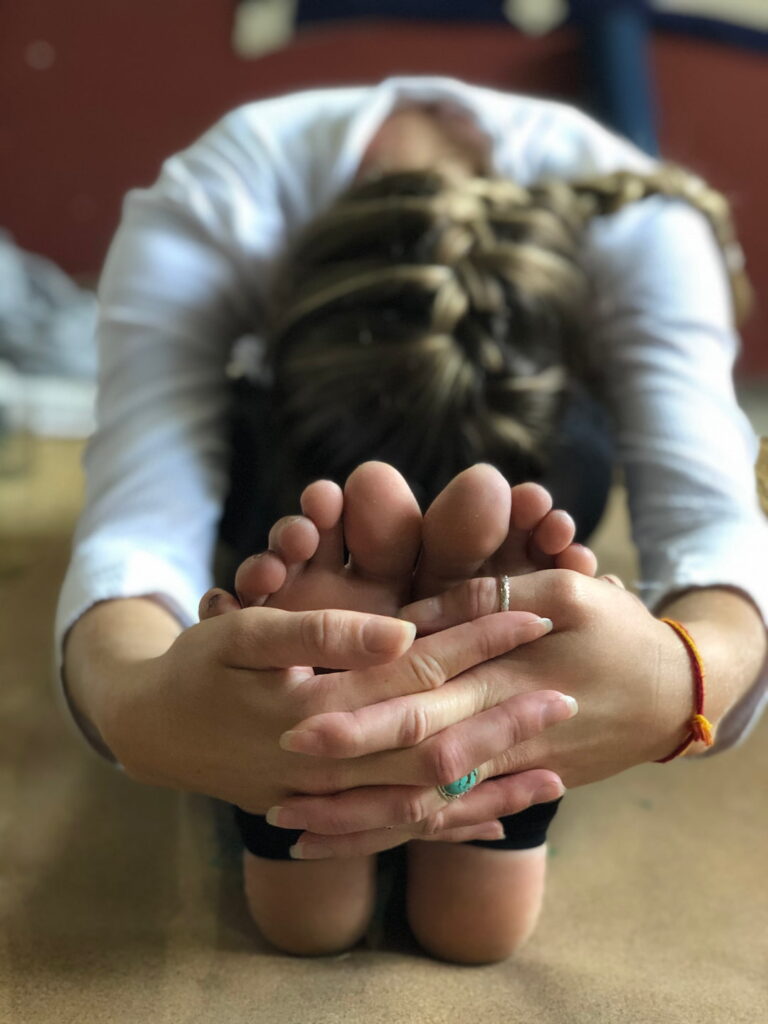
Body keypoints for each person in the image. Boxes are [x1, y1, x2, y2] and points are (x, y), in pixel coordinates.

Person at [57, 77, 768, 962]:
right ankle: (498, 713)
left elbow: (714, 518)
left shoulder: (647, 232)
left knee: (410, 501)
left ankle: (304, 790)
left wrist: (675, 677)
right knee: (484, 498)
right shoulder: (214, 206)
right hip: (358, 467)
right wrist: (145, 709)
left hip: (409, 475)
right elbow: (140, 522)